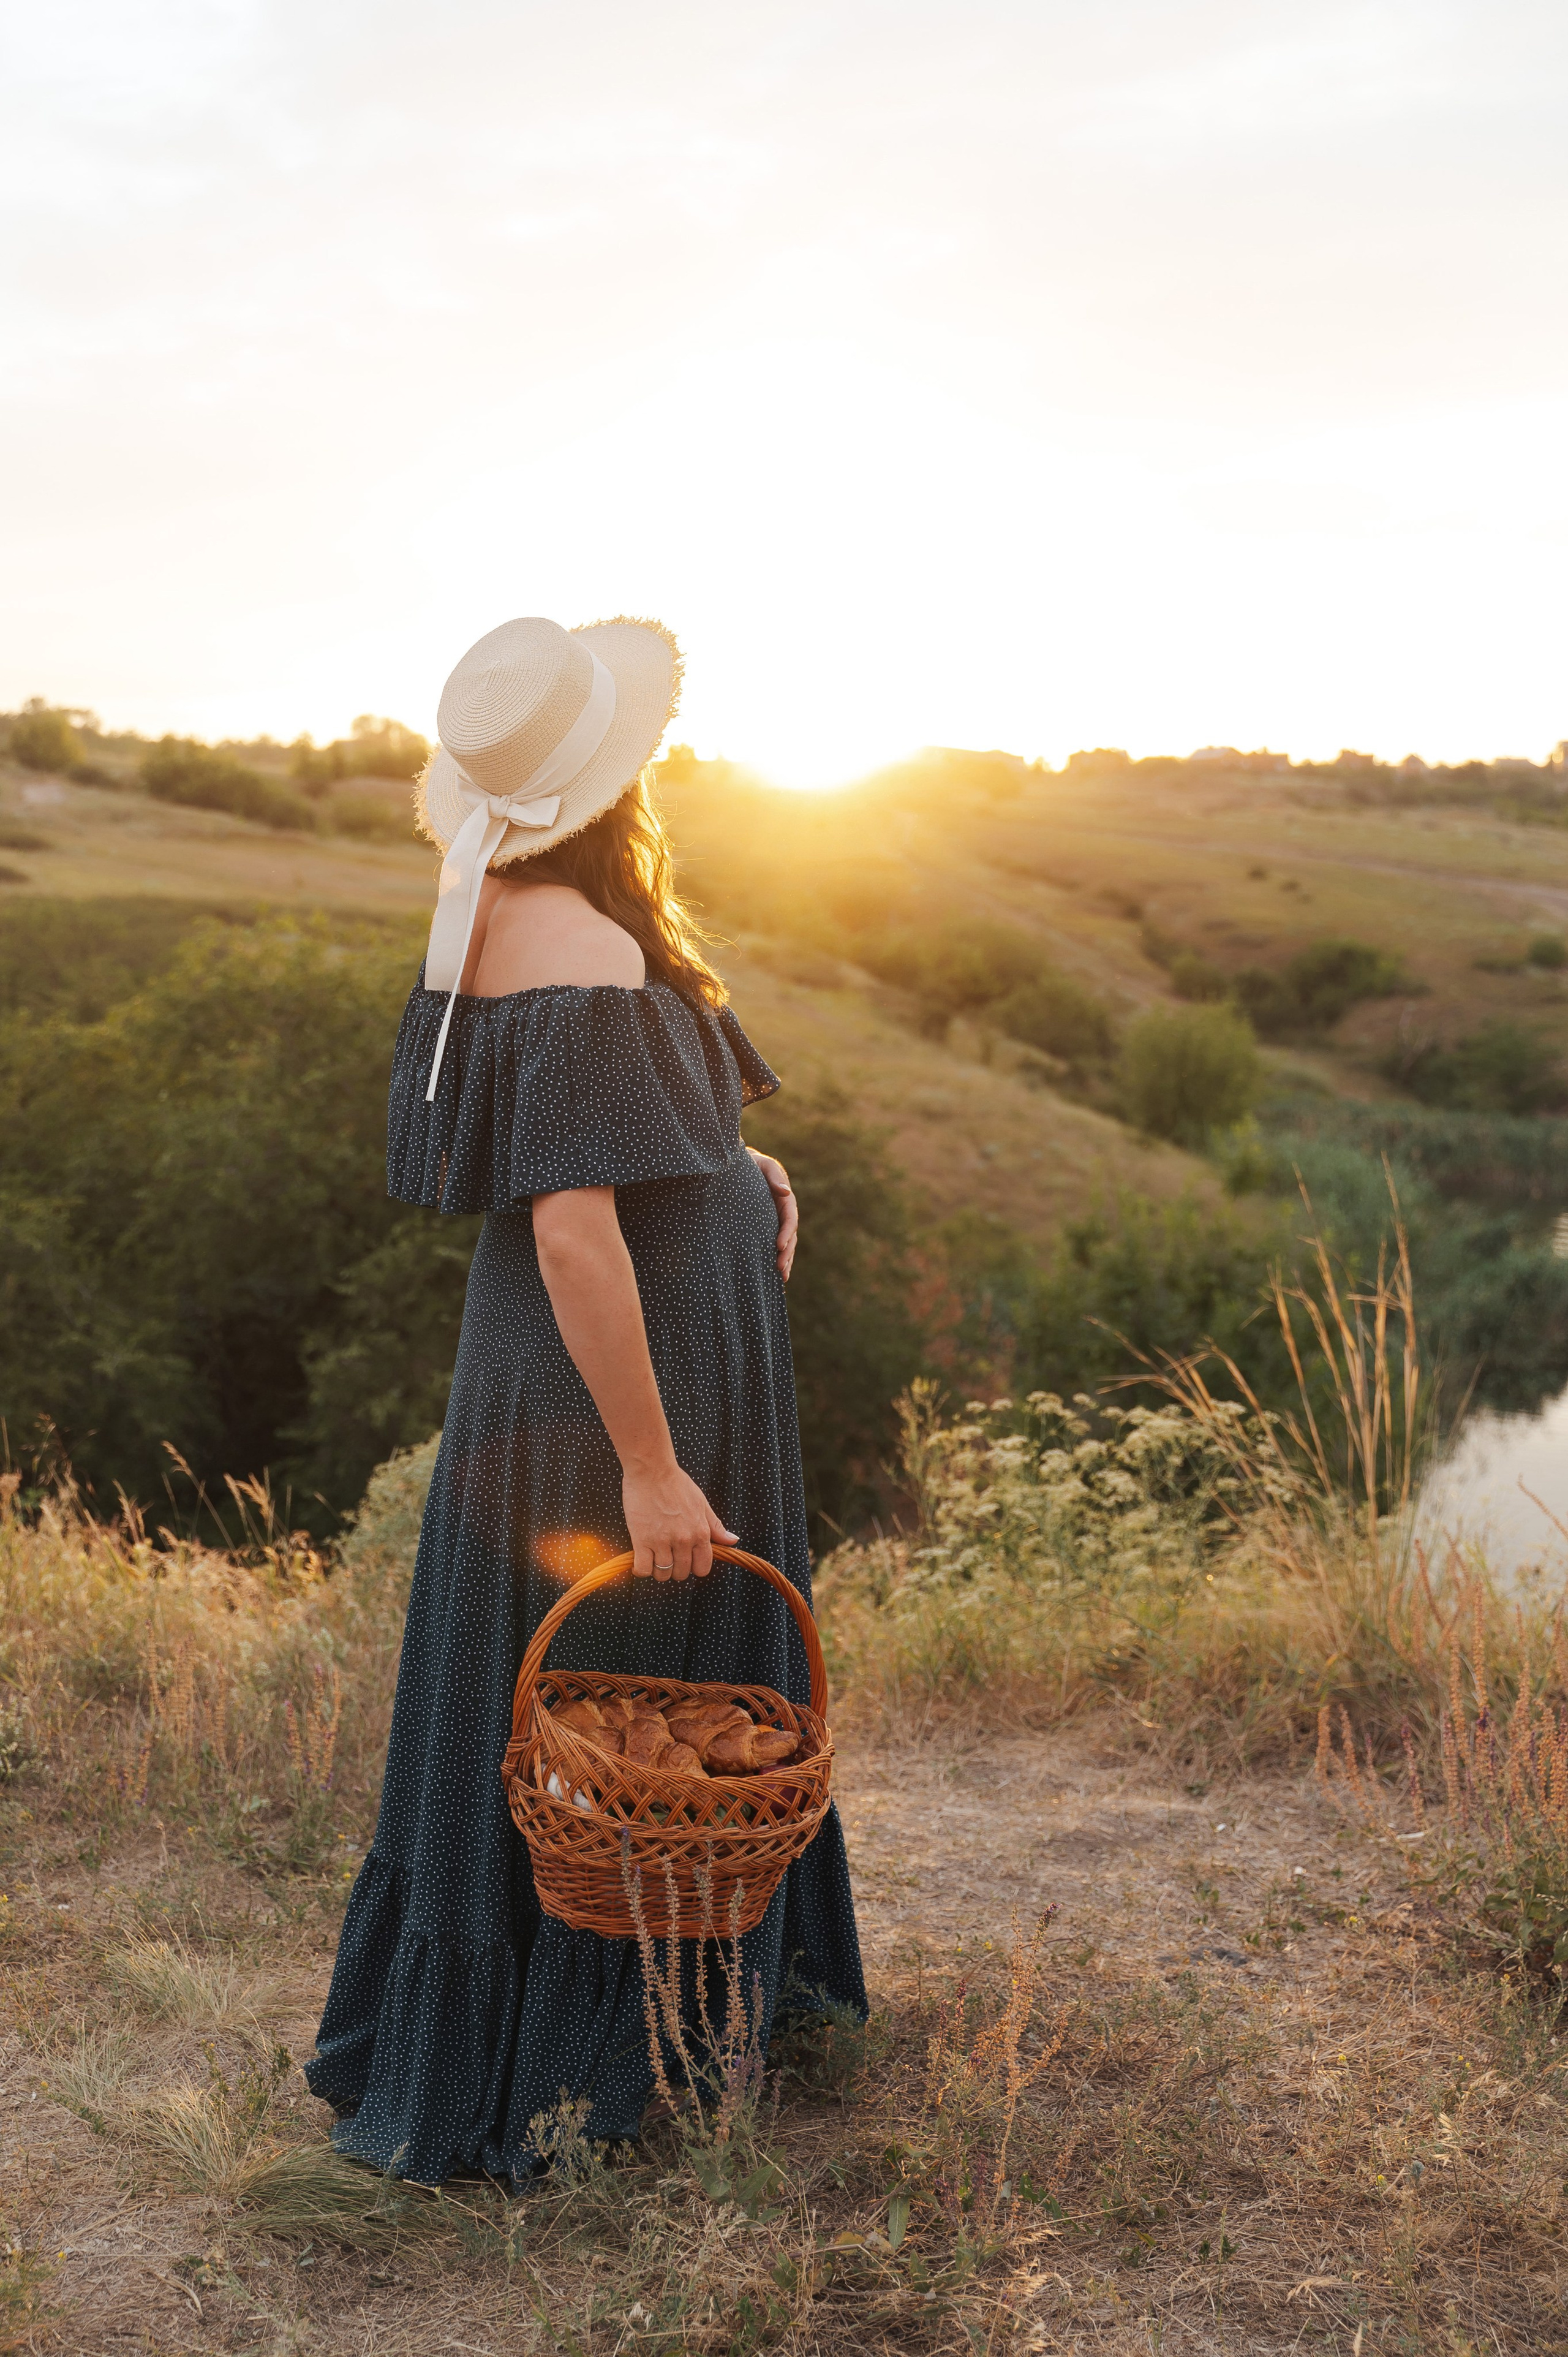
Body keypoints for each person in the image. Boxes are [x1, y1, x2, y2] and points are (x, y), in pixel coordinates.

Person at [304, 615, 866, 2184]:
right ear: (612, 781)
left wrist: (725, 1156)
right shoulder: (591, 949)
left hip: (544, 1360)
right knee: (632, 1688)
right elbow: (570, 1225)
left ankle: (492, 2040)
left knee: (526, 1690)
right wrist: (651, 1466)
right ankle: (601, 2069)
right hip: (627, 1380)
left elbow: (574, 1151)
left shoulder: (486, 913)